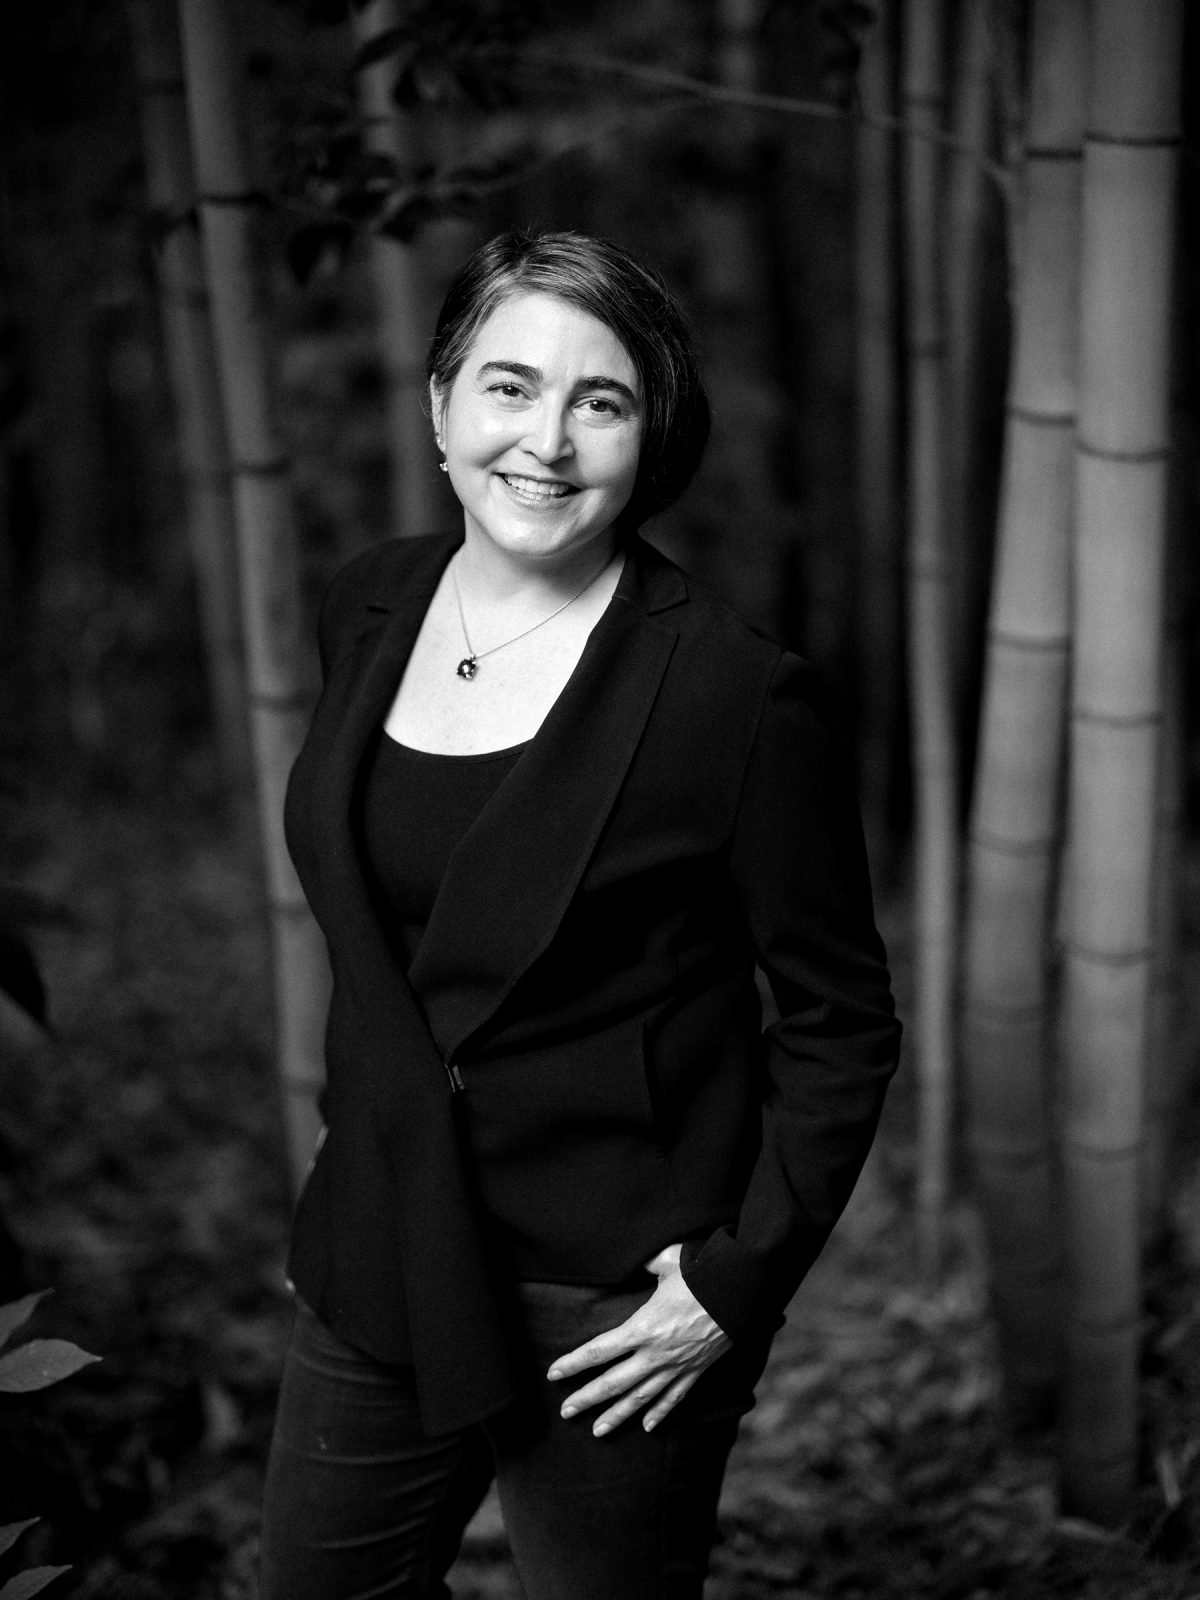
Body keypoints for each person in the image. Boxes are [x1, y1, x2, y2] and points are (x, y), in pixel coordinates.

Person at [260, 229, 901, 1599]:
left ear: (650, 434)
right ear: (439, 404)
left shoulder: (736, 694)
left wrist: (737, 1282)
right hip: (378, 1239)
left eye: (598, 402)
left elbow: (841, 1023)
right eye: (507, 387)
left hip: (612, 1296)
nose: (544, 441)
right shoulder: (367, 605)